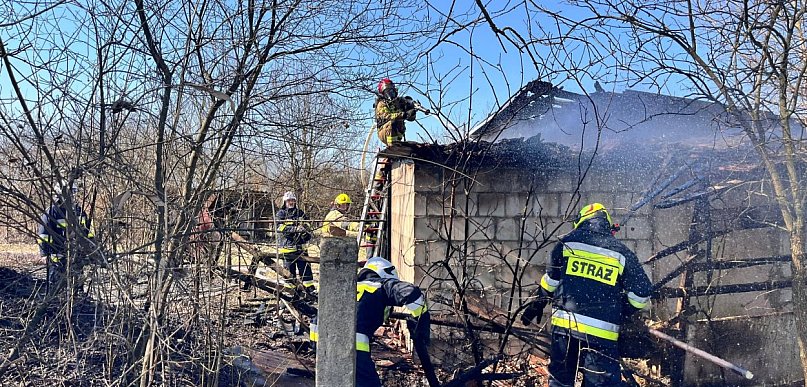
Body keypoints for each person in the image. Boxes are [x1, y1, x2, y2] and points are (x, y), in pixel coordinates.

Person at [520, 203, 652, 387]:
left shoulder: (566, 243)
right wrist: (621, 310)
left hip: (565, 328)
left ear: (580, 222)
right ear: (606, 224)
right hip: (601, 334)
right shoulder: (621, 253)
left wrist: (538, 302)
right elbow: (642, 292)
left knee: (560, 382)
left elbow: (551, 281)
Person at [309, 257, 434, 387]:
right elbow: (412, 294)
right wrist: (420, 325)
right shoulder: (382, 285)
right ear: (386, 275)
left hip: (319, 340)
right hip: (352, 344)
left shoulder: (347, 285)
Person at [37, 180, 95, 286]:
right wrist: (45, 253)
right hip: (57, 259)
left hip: (77, 257)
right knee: (57, 287)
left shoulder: (79, 211)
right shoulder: (51, 212)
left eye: (74, 192)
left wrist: (91, 247)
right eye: (70, 192)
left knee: (77, 286)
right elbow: (43, 235)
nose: (72, 195)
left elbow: (87, 232)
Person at [275, 191, 314, 290]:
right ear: (285, 202)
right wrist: (295, 229)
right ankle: (290, 293)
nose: (291, 202)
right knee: (289, 275)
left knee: (306, 273)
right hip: (288, 250)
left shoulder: (300, 213)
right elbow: (280, 228)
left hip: (301, 249)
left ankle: (309, 291)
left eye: (292, 200)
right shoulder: (281, 214)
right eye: (289, 200)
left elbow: (308, 226)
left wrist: (305, 232)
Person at [375, 78, 419, 146]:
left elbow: (411, 119)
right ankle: (392, 146)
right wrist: (404, 114)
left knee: (395, 122)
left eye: (391, 91)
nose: (390, 93)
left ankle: (397, 144)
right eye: (387, 92)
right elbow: (387, 116)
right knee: (392, 122)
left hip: (399, 131)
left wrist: (411, 111)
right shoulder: (381, 104)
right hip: (384, 131)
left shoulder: (399, 102)